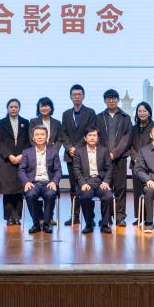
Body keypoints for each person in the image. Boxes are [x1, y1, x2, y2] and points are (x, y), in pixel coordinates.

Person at [61, 84, 97, 225]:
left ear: (83, 96)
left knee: (88, 185)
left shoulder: (91, 112)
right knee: (73, 187)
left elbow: (91, 132)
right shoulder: (66, 114)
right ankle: (74, 216)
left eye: (79, 94)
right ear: (70, 97)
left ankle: (90, 217)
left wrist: (78, 149)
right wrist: (70, 148)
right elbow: (63, 134)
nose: (77, 97)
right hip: (70, 155)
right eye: (74, 95)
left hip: (86, 155)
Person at [97, 89, 133, 227]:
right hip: (103, 159)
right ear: (104, 101)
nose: (111, 101)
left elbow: (127, 138)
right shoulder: (99, 117)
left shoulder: (125, 117)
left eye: (114, 98)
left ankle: (120, 217)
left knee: (120, 188)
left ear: (118, 100)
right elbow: (95, 137)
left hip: (120, 158)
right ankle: (106, 217)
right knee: (105, 188)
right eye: (108, 98)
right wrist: (105, 154)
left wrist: (115, 153)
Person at [18, 126, 62, 234]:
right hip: (33, 183)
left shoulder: (53, 152)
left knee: (50, 194)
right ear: (33, 137)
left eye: (42, 134)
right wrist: (26, 182)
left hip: (48, 183)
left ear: (47, 137)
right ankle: (36, 224)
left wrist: (54, 182)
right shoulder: (27, 152)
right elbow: (21, 170)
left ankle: (46, 224)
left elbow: (58, 170)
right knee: (30, 195)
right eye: (37, 135)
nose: (39, 137)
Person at [0, 99, 31, 225]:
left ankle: (17, 216)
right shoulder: (1, 122)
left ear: (19, 108)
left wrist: (22, 155)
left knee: (19, 190)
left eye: (16, 106)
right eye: (11, 107)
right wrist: (9, 155)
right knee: (8, 190)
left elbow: (28, 142)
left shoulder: (26, 122)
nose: (14, 109)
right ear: (8, 108)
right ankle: (9, 217)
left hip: (22, 159)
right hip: (6, 160)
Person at [72, 127, 114, 234]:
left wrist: (106, 182)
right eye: (89, 135)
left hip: (100, 182)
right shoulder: (79, 152)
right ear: (85, 138)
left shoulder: (104, 150)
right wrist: (82, 183)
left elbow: (109, 168)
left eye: (94, 135)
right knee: (85, 196)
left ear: (98, 138)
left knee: (108, 195)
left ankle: (105, 224)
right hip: (86, 181)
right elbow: (76, 169)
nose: (92, 138)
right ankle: (89, 224)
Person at [129, 101, 154, 225]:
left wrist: (143, 158)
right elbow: (130, 145)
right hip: (135, 164)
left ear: (149, 113)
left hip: (150, 164)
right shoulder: (133, 128)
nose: (142, 113)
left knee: (148, 191)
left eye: (144, 111)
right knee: (137, 191)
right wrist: (135, 158)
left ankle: (148, 218)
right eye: (140, 111)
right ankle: (139, 217)